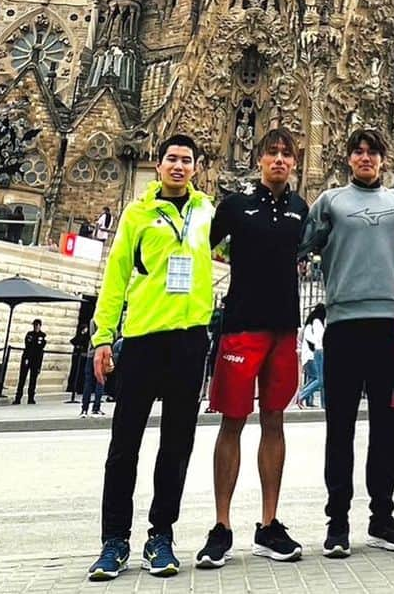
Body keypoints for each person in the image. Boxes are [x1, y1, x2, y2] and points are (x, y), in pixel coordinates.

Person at [86, 134, 215, 582]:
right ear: (158, 165)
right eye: (171, 160)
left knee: (177, 446)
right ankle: (114, 541)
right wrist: (104, 336)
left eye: (186, 161)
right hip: (142, 338)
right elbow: (116, 275)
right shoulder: (138, 214)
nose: (179, 167)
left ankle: (161, 535)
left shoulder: (207, 213)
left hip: (190, 340)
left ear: (196, 168)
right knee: (125, 446)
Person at [300, 126, 394, 559]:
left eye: (372, 151)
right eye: (358, 152)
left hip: (391, 327)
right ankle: (338, 522)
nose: (365, 158)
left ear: (383, 159)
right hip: (345, 324)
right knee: (340, 429)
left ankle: (382, 517)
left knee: (388, 427)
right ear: (348, 158)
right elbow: (300, 244)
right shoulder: (329, 201)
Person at [196, 127, 308, 568]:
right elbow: (196, 246)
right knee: (233, 422)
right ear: (258, 159)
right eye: (272, 153)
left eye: (286, 154)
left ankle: (268, 523)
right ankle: (222, 526)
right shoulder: (235, 206)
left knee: (275, 421)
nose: (279, 160)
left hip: (284, 328)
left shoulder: (302, 209)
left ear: (295, 163)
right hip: (241, 326)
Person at [296, 305, 326, 408]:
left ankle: (308, 400)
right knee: (320, 379)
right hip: (313, 354)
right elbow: (316, 338)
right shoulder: (316, 322)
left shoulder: (311, 323)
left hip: (312, 354)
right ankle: (302, 395)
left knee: (314, 378)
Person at [13, 319, 48, 405]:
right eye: (35, 325)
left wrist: (39, 365)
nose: (36, 327)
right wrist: (26, 358)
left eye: (37, 325)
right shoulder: (30, 334)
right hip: (27, 357)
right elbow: (28, 346)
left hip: (36, 359)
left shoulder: (42, 335)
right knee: (22, 378)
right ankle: (18, 398)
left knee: (33, 379)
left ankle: (31, 398)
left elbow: (41, 347)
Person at [81, 343, 106, 417]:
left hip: (91, 354)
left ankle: (84, 409)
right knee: (100, 381)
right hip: (102, 355)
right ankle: (96, 408)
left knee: (88, 382)